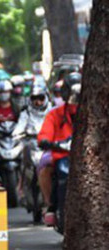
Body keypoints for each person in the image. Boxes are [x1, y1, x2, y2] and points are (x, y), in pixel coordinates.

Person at [37, 72, 81, 226]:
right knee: (45, 169)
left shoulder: (94, 111)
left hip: (88, 156)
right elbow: (44, 135)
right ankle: (51, 205)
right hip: (61, 155)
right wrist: (47, 142)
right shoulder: (55, 114)